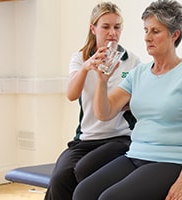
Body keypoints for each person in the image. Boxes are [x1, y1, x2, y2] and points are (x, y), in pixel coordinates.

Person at [72, 0, 182, 200]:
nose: (147, 38)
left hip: (175, 162)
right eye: (146, 30)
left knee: (110, 199)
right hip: (136, 155)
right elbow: (104, 113)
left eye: (155, 31)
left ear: (174, 35)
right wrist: (103, 81)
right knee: (83, 193)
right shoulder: (139, 73)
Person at [44, 2, 141, 200]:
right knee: (59, 178)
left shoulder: (131, 60)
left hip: (121, 137)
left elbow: (138, 100)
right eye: (106, 27)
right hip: (86, 139)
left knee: (83, 170)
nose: (112, 33)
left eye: (117, 27)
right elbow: (71, 94)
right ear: (93, 28)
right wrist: (87, 67)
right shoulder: (80, 58)